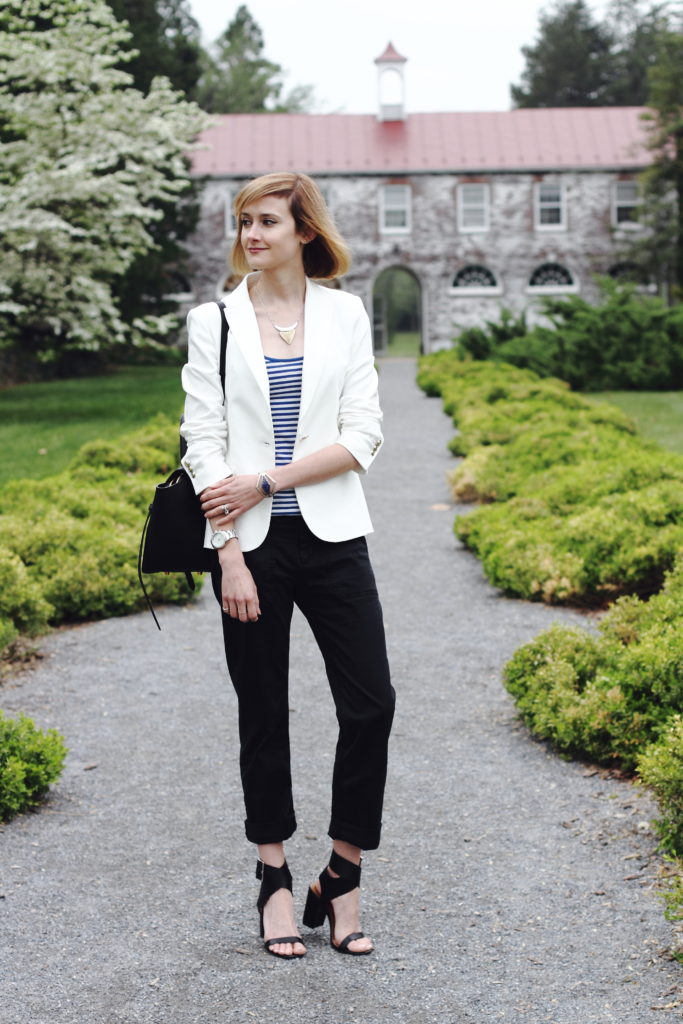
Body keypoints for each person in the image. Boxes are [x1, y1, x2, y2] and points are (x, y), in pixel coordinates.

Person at [180, 172, 395, 960]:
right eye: (242, 222)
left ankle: (342, 874)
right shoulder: (217, 323)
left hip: (334, 538)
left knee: (371, 704)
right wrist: (228, 553)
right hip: (248, 551)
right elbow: (201, 443)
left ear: (305, 231)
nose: (251, 235)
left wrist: (269, 479)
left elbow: (362, 436)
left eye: (267, 221)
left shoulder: (344, 315)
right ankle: (272, 877)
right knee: (263, 711)